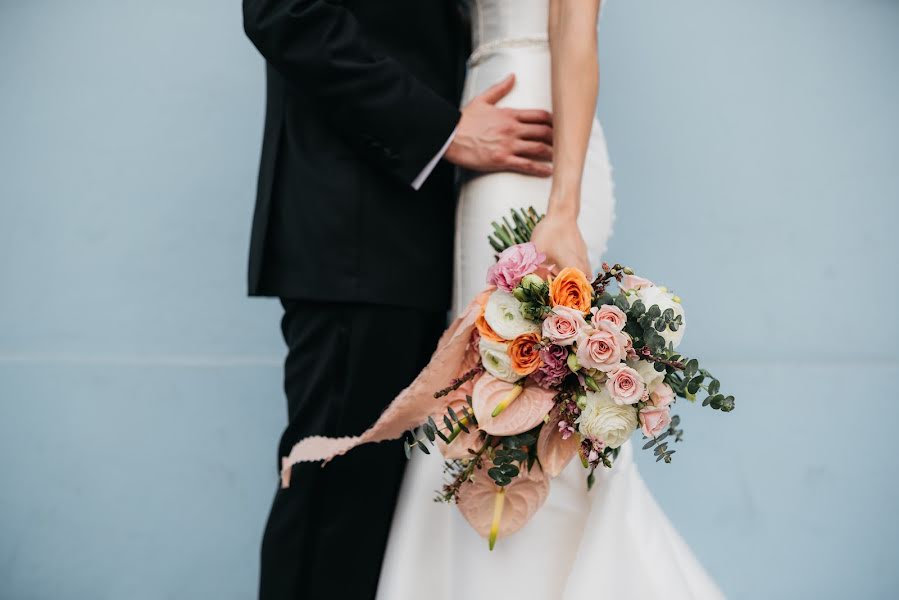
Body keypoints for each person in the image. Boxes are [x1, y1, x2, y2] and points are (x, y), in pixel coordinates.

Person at [376, 1, 725, 598]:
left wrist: (562, 207)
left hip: (533, 147)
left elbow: (573, 24)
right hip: (494, 129)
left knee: (516, 391)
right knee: (489, 393)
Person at [241, 1, 555, 598]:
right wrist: (441, 130)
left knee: (375, 519)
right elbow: (282, 11)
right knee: (335, 506)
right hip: (356, 234)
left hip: (417, 234)